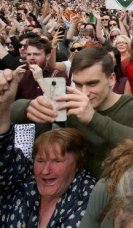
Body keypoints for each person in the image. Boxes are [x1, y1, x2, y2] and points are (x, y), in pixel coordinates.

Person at [11, 48, 133, 178]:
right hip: (79, 191)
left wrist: (92, 118)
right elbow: (12, 112)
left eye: (92, 84)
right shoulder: (70, 101)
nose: (84, 93)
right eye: (78, 84)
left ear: (111, 79)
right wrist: (29, 106)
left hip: (121, 190)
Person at [0, 68, 95, 227]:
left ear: (77, 164)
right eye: (40, 160)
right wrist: (4, 108)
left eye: (57, 161)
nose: (45, 170)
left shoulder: (89, 199)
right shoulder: (24, 181)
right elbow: (3, 157)